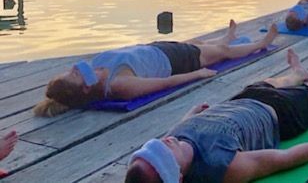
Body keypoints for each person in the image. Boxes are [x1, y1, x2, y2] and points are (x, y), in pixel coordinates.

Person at [125, 48, 308, 183]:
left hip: (243, 99)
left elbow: (177, 130)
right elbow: (281, 158)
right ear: (178, 177)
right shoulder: (221, 166)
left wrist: (192, 113)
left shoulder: (172, 142)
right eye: (163, 151)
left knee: (275, 80)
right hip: (280, 112)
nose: (165, 142)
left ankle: (298, 72)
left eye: (154, 145)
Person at [33, 20, 279, 117]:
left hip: (155, 48)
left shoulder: (95, 69)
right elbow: (164, 83)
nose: (76, 68)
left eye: (71, 70)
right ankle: (261, 43)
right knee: (220, 54)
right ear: (85, 90)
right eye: (75, 75)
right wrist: (198, 74)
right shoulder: (118, 85)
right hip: (176, 62)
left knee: (198, 43)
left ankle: (225, 38)